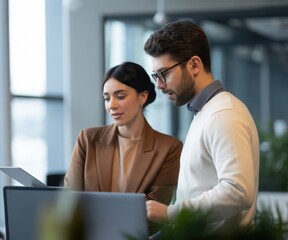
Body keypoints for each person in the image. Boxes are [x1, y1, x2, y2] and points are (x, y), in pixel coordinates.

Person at [144, 20, 260, 234]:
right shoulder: (206, 112)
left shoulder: (223, 114)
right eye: (155, 76)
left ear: (194, 65)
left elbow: (238, 191)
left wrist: (170, 214)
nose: (159, 85)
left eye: (164, 74)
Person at [64, 61, 183, 234]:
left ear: (142, 96)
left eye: (120, 96)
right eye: (107, 98)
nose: (111, 105)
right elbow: (70, 198)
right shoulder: (88, 139)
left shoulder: (169, 148)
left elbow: (153, 212)